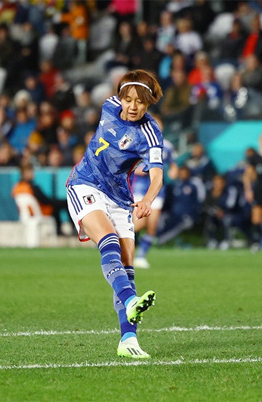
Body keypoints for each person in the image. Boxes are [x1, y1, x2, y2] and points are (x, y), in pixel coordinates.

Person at [65, 69, 164, 359]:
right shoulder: (109, 105)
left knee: (127, 267)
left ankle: (128, 340)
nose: (133, 106)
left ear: (148, 104)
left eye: (140, 102)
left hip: (120, 197)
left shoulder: (150, 133)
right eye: (128, 99)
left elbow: (157, 176)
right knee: (107, 240)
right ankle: (131, 301)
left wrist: (147, 200)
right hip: (84, 182)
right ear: (120, 98)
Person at [132, 137, 177, 269]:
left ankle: (141, 256)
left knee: (152, 225)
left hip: (157, 189)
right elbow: (129, 165)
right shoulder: (136, 142)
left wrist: (174, 171)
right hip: (139, 189)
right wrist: (140, 170)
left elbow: (173, 164)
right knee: (138, 223)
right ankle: (117, 245)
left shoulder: (166, 145)